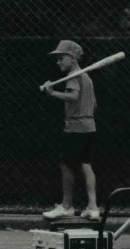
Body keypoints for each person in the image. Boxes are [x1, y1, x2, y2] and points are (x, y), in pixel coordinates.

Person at [40, 39, 99, 221]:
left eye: (61, 58)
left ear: (72, 59)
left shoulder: (74, 75)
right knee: (85, 164)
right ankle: (93, 206)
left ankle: (66, 206)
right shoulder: (86, 77)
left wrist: (52, 93)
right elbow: (94, 104)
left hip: (75, 127)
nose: (58, 62)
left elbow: (73, 96)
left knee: (66, 165)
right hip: (89, 126)